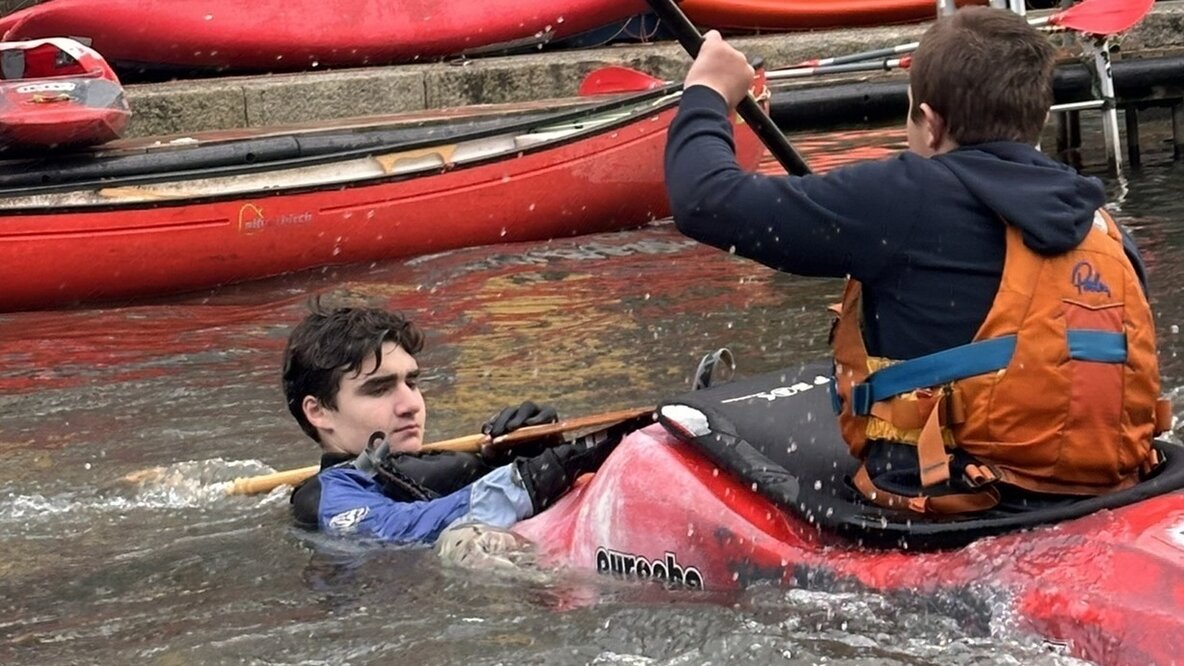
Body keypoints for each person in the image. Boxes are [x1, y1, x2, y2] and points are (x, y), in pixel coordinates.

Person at [664, 7, 1170, 514]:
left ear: (930, 124)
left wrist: (708, 90)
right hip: (1109, 492)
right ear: (1035, 118)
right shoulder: (1099, 222)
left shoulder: (906, 198)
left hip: (956, 507)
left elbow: (704, 199)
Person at [282, 304, 621, 542]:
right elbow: (403, 529)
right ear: (318, 412)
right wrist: (535, 477)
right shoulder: (321, 498)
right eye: (379, 389)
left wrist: (531, 452)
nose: (411, 405)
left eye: (411, 383)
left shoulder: (443, 468)